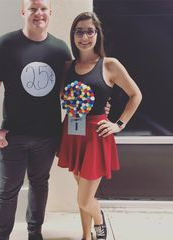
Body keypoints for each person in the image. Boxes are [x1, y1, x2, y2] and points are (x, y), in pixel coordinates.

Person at [0, 1, 72, 240]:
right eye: (33, 8)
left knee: (40, 183)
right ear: (23, 12)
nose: (38, 13)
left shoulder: (61, 49)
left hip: (48, 135)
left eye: (43, 8)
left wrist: (97, 104)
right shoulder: (5, 45)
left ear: (50, 12)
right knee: (7, 190)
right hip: (13, 135)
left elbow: (68, 92)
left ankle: (35, 233)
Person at [57, 12, 142, 240]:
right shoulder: (67, 67)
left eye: (89, 31)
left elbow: (135, 95)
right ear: (73, 35)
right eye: (79, 31)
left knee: (85, 199)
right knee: (81, 194)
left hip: (96, 136)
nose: (84, 36)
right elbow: (61, 97)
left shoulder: (110, 65)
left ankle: (99, 219)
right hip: (73, 133)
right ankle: (86, 236)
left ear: (97, 35)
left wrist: (118, 124)